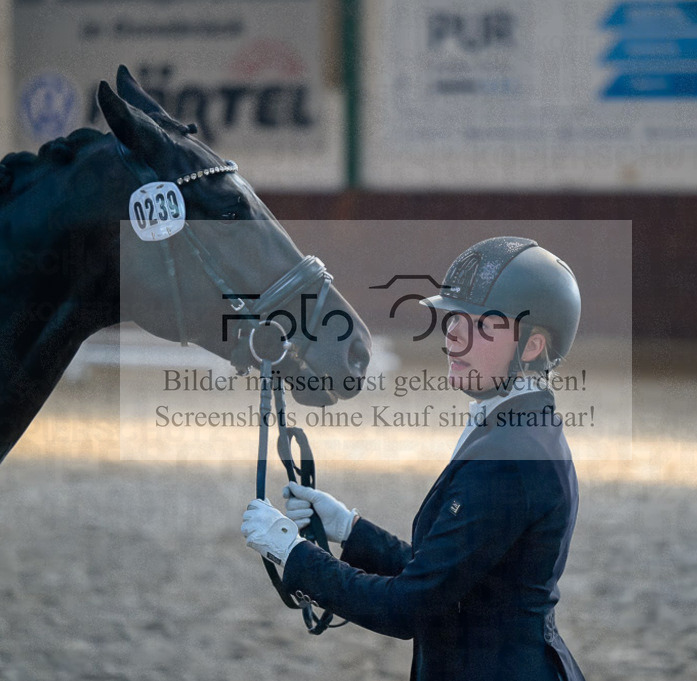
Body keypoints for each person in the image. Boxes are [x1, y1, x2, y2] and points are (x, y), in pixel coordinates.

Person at [241, 236, 585, 681]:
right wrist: (351, 529)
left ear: (532, 347)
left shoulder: (511, 455)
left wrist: (293, 553)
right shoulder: (513, 426)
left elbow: (407, 607)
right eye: (455, 317)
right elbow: (448, 577)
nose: (454, 333)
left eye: (481, 324)